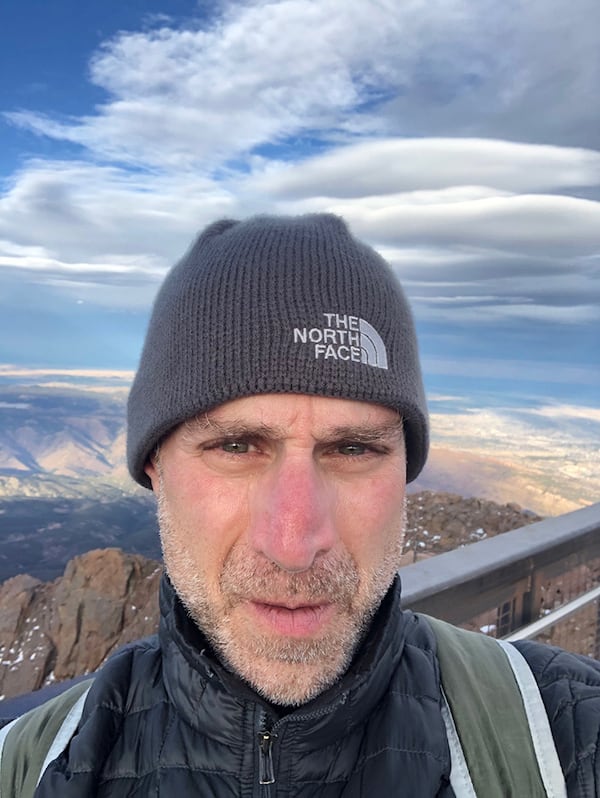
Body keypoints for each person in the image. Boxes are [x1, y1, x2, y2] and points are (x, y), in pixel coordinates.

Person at [4, 214, 600, 796]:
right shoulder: (23, 767)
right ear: (155, 467)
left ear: (403, 474)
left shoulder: (563, 737)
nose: (293, 545)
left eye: (353, 448)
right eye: (235, 446)